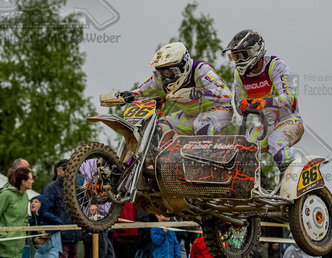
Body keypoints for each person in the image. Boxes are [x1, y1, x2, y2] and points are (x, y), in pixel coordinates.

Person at [224, 29, 303, 173]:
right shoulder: (239, 75)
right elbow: (239, 107)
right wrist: (242, 105)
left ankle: (292, 177)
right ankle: (257, 182)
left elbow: (288, 97)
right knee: (243, 145)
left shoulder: (276, 66)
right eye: (235, 56)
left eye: (242, 55)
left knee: (275, 141)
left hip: (290, 121)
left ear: (256, 51)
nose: (238, 61)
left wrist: (266, 102)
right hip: (267, 126)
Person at [119, 42, 233, 136]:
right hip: (190, 114)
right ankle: (159, 156)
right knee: (160, 127)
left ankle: (205, 155)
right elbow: (142, 91)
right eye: (162, 72)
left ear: (183, 66)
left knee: (201, 124)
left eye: (170, 72)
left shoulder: (201, 70)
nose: (166, 77)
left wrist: (201, 93)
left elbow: (227, 95)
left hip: (219, 110)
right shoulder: (159, 79)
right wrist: (129, 95)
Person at [44, 158, 82, 258]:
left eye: (72, 168)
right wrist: (56, 227)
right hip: (59, 237)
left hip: (75, 235)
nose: (69, 171)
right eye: (66, 169)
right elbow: (46, 212)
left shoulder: (77, 188)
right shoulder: (51, 189)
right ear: (58, 171)